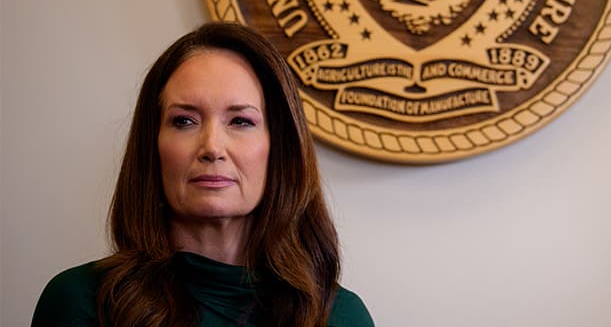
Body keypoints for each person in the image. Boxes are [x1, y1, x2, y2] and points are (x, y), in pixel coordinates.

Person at [32, 22, 374, 327]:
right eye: (184, 121)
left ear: (279, 149)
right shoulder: (80, 303)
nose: (212, 146)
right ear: (153, 146)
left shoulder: (339, 316)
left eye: (241, 121)